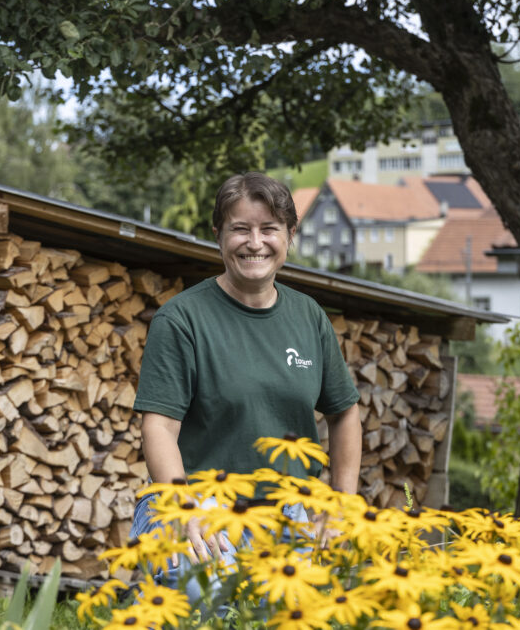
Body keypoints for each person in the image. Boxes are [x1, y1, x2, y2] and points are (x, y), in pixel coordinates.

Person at [130, 171, 362, 573]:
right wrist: (186, 510)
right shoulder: (182, 319)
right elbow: (159, 427)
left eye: (269, 229)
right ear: (218, 235)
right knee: (203, 598)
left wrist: (340, 506)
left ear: (290, 234)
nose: (255, 243)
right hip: (203, 501)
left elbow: (344, 413)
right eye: (240, 229)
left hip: (293, 511)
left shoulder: (308, 317)